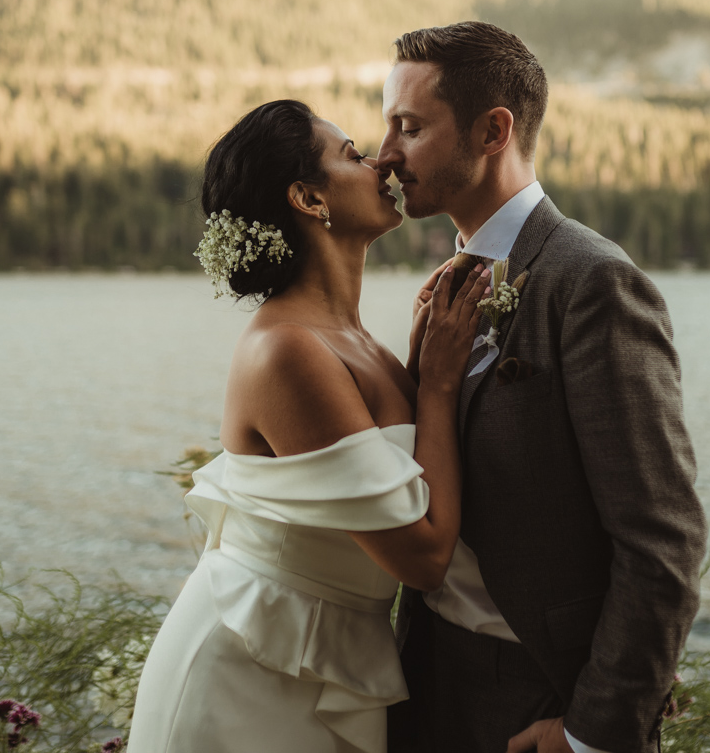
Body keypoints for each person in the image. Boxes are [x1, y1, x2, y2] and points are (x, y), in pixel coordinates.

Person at [377, 22, 707, 753]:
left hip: (538, 693)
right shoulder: (445, 289)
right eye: (386, 127)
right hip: (426, 674)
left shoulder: (592, 282)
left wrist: (591, 734)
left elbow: (663, 541)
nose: (386, 154)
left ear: (493, 130)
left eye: (409, 126)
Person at [125, 99, 488, 753]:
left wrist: (418, 362)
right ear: (309, 198)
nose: (379, 163)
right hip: (249, 675)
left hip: (319, 659)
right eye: (351, 155)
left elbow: (401, 471)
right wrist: (433, 382)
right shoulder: (288, 352)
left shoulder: (358, 343)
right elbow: (424, 556)